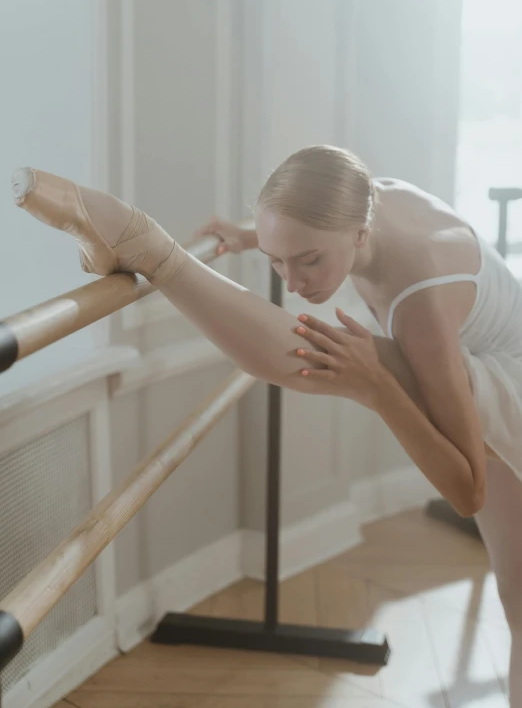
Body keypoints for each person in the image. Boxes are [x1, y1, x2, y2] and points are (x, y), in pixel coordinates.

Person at [12, 145, 522, 701]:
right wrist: (249, 234)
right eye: (278, 261)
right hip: (480, 351)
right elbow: (308, 219)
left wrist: (377, 387)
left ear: (358, 233)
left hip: (509, 378)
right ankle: (139, 238)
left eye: (308, 260)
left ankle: (148, 245)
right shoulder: (361, 196)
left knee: (321, 356)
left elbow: (467, 491)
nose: (295, 282)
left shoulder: (419, 303)